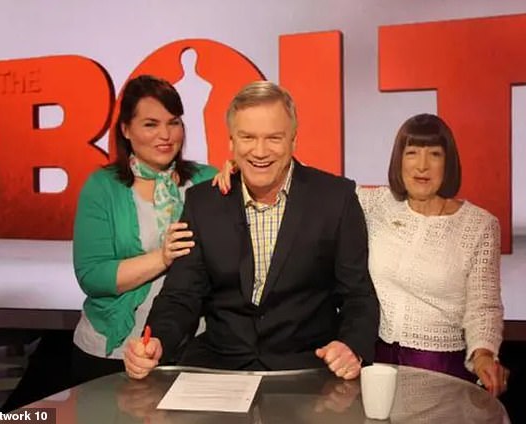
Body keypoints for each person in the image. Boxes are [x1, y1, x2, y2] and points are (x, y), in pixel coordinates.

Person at [213, 113, 508, 396]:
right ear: (398, 160)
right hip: (373, 364)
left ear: (449, 162)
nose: (422, 166)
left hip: (440, 367)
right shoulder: (374, 203)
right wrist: (250, 167)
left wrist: (483, 354)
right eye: (412, 153)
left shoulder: (479, 225)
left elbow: (484, 306)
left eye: (434, 155)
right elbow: (311, 183)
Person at [123, 81, 379, 380]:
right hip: (219, 369)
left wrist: (352, 347)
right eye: (247, 137)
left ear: (293, 141)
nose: (260, 151)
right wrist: (157, 342)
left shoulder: (336, 198)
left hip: (306, 373)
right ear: (231, 142)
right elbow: (181, 295)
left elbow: (358, 295)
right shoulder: (204, 202)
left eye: (274, 138)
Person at [71, 75, 217, 385]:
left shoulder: (209, 180)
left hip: (196, 349)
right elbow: (92, 276)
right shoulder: (102, 187)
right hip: (116, 352)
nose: (166, 135)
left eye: (173, 122)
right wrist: (162, 258)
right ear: (126, 129)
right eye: (151, 124)